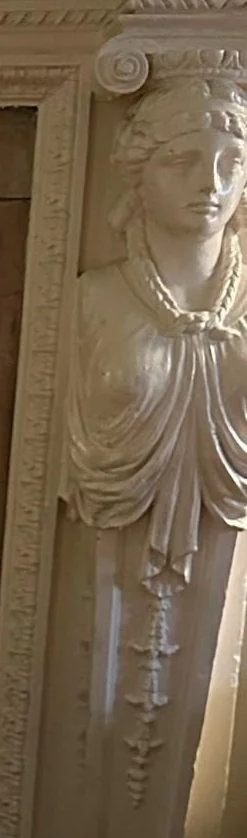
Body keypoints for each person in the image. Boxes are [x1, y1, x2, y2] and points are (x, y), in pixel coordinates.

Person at [65, 73, 247, 581]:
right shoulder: (95, 297)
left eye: (232, 163)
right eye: (182, 161)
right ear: (138, 177)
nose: (211, 183)